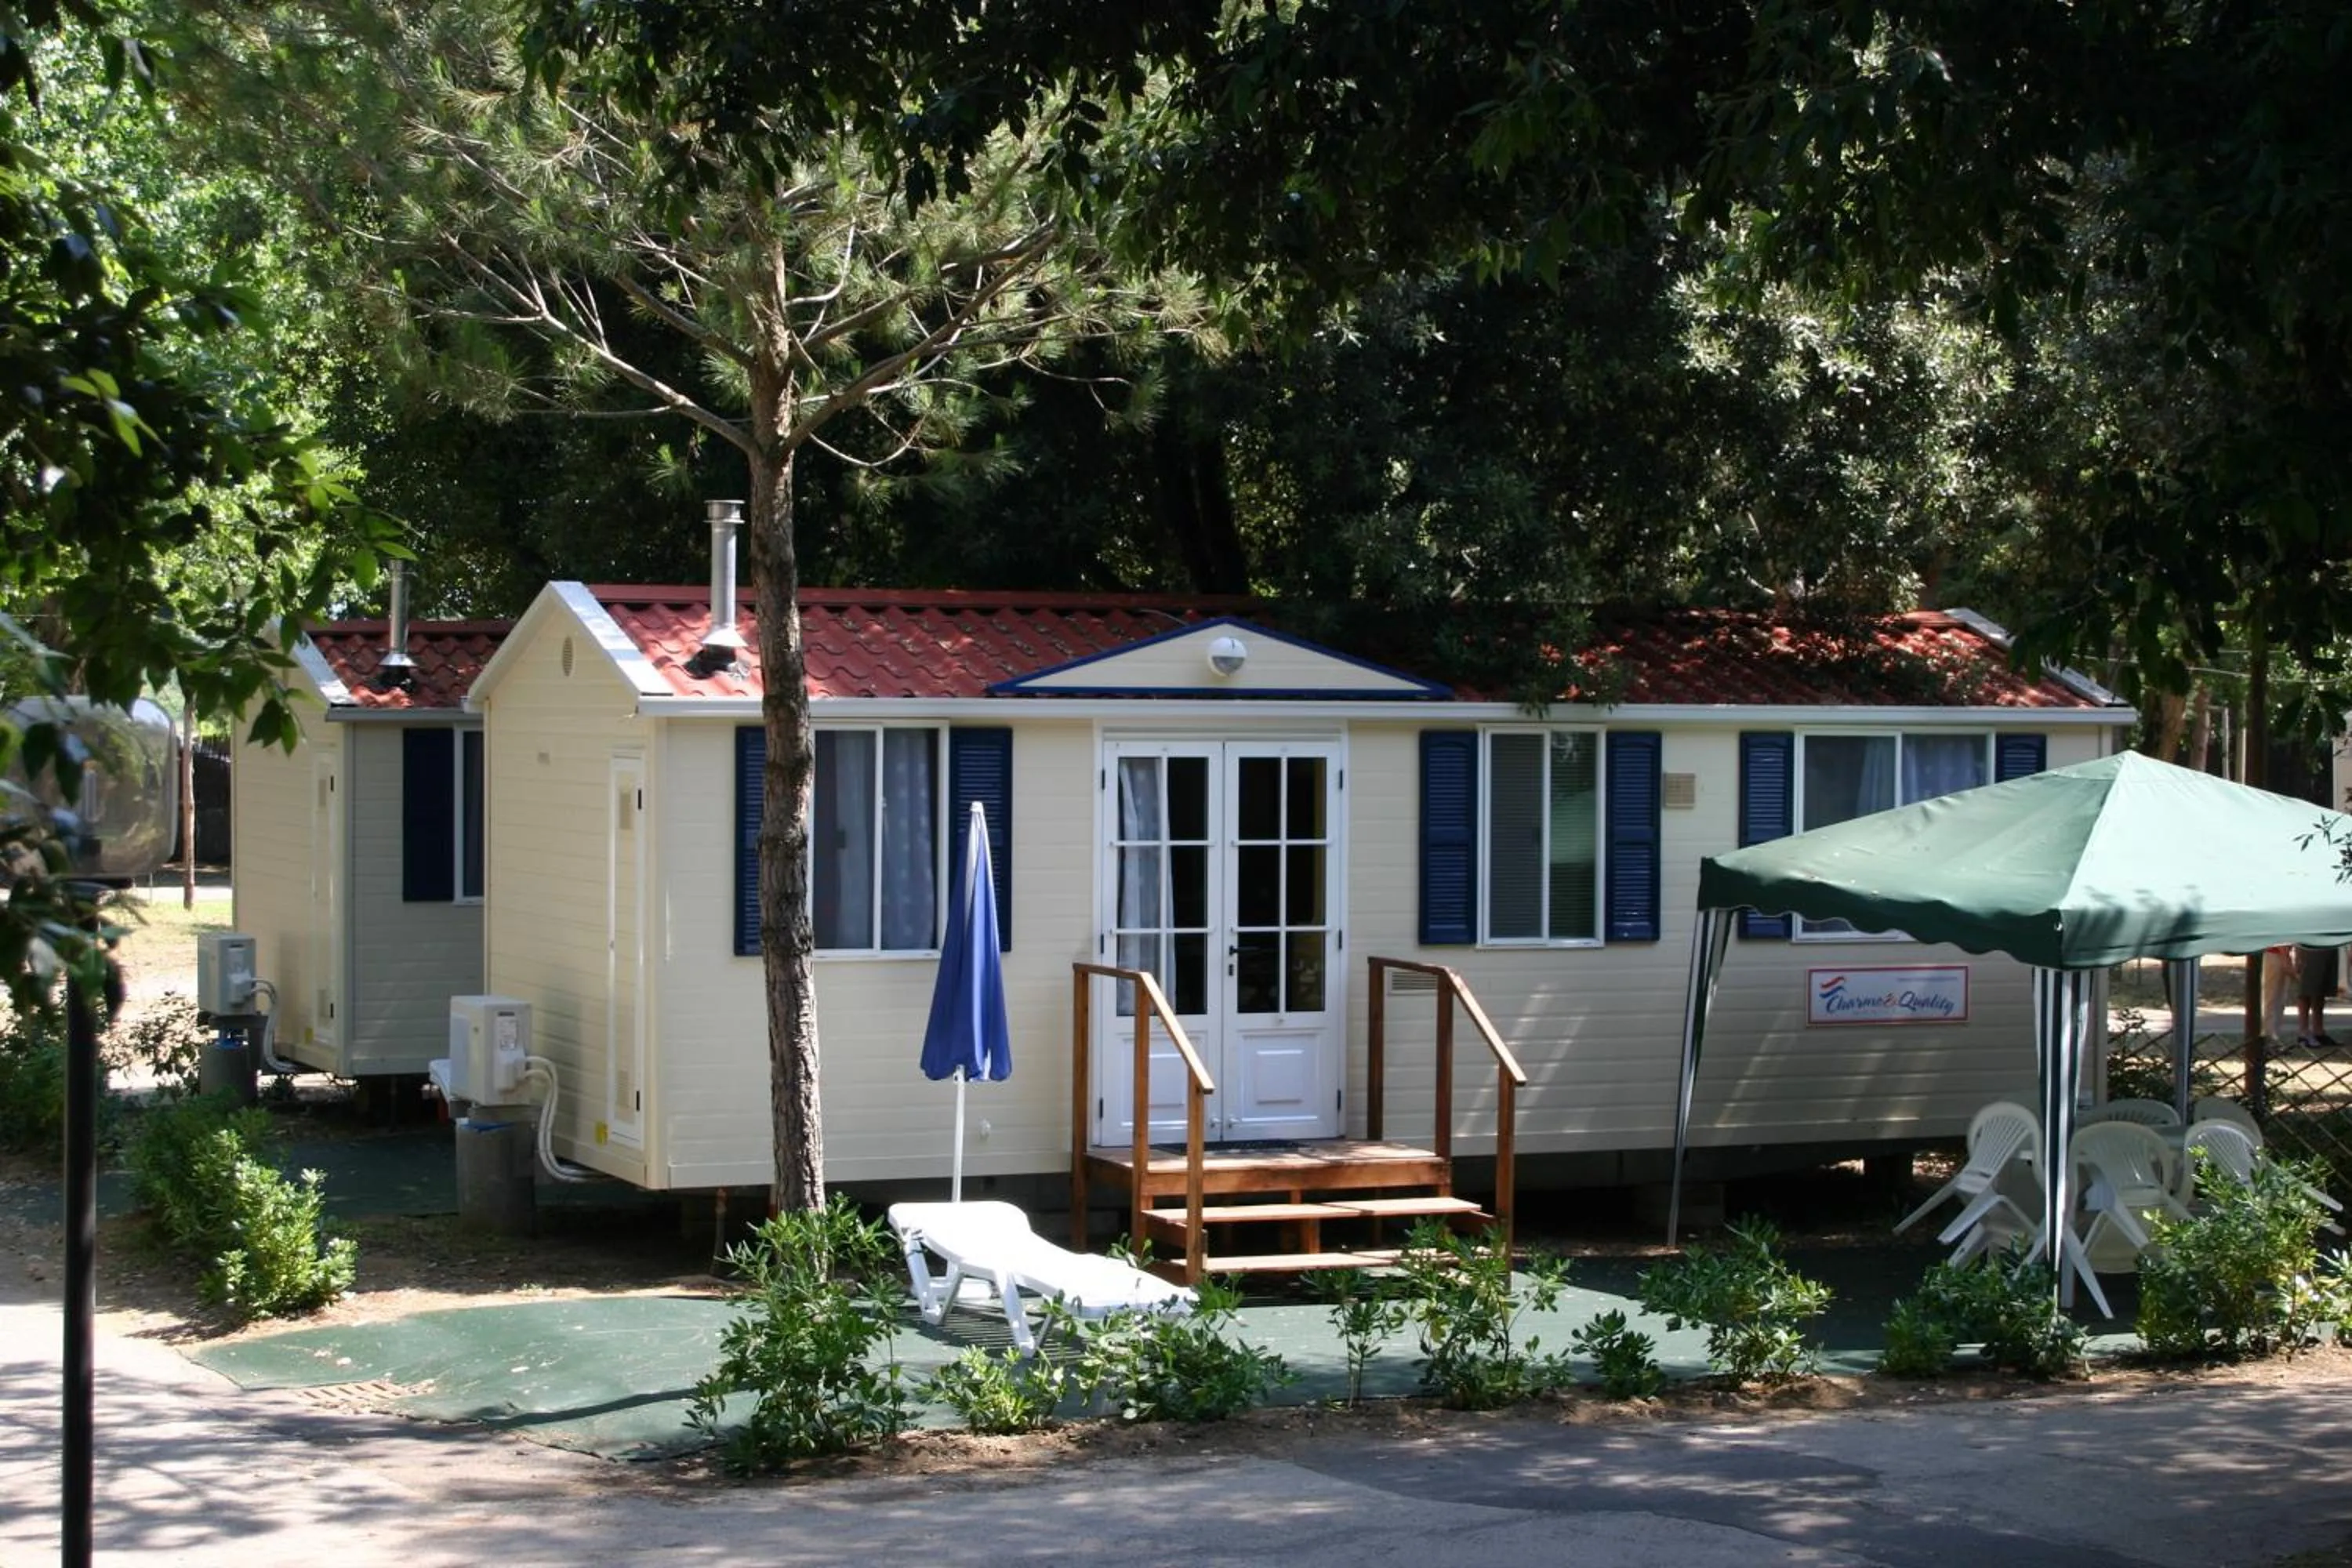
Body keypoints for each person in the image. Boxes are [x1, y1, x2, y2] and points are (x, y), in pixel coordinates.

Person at [2296, 942, 2339, 1048]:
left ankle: (2318, 1031)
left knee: (2321, 989)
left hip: (2330, 943)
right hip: (2309, 944)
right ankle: (2303, 1032)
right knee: (2307, 987)